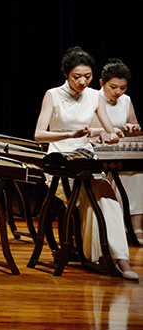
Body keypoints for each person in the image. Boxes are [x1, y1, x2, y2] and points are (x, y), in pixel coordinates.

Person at [33, 46, 138, 280]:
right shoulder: (53, 95)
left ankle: (119, 259)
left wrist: (114, 134)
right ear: (66, 74)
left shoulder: (94, 96)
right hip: (59, 161)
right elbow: (39, 135)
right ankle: (102, 257)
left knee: (107, 198)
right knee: (92, 197)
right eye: (76, 76)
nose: (82, 81)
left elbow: (110, 133)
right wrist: (69, 135)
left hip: (87, 160)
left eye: (87, 76)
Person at [93, 59, 142, 238]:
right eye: (113, 87)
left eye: (123, 88)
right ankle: (119, 223)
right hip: (97, 149)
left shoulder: (126, 100)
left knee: (138, 173)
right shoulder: (92, 99)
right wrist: (107, 132)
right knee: (123, 173)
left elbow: (135, 128)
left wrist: (133, 130)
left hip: (120, 150)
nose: (118, 92)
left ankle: (136, 225)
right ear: (102, 83)